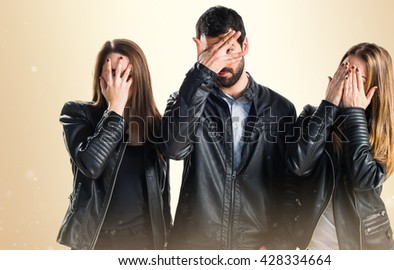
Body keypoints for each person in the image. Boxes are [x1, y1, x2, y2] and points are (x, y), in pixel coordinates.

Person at [160, 6, 296, 249]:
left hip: (255, 249)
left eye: (229, 50)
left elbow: (290, 185)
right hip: (195, 248)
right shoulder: (186, 99)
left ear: (245, 47)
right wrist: (200, 74)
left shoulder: (280, 109)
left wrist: (278, 245)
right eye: (213, 52)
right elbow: (174, 149)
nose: (221, 62)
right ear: (199, 49)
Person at [280, 42, 394, 249]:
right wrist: (328, 107)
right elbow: (298, 165)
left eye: (358, 78)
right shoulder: (312, 116)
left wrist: (354, 113)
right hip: (315, 247)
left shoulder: (392, 133)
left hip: (368, 246)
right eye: (344, 72)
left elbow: (364, 179)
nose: (347, 81)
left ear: (375, 88)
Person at [56, 39, 171, 250]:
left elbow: (162, 194)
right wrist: (115, 108)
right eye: (113, 73)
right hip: (96, 239)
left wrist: (167, 242)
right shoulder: (77, 113)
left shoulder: (154, 123)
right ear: (101, 79)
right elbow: (91, 165)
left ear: (140, 78)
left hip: (143, 242)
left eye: (127, 75)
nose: (119, 82)